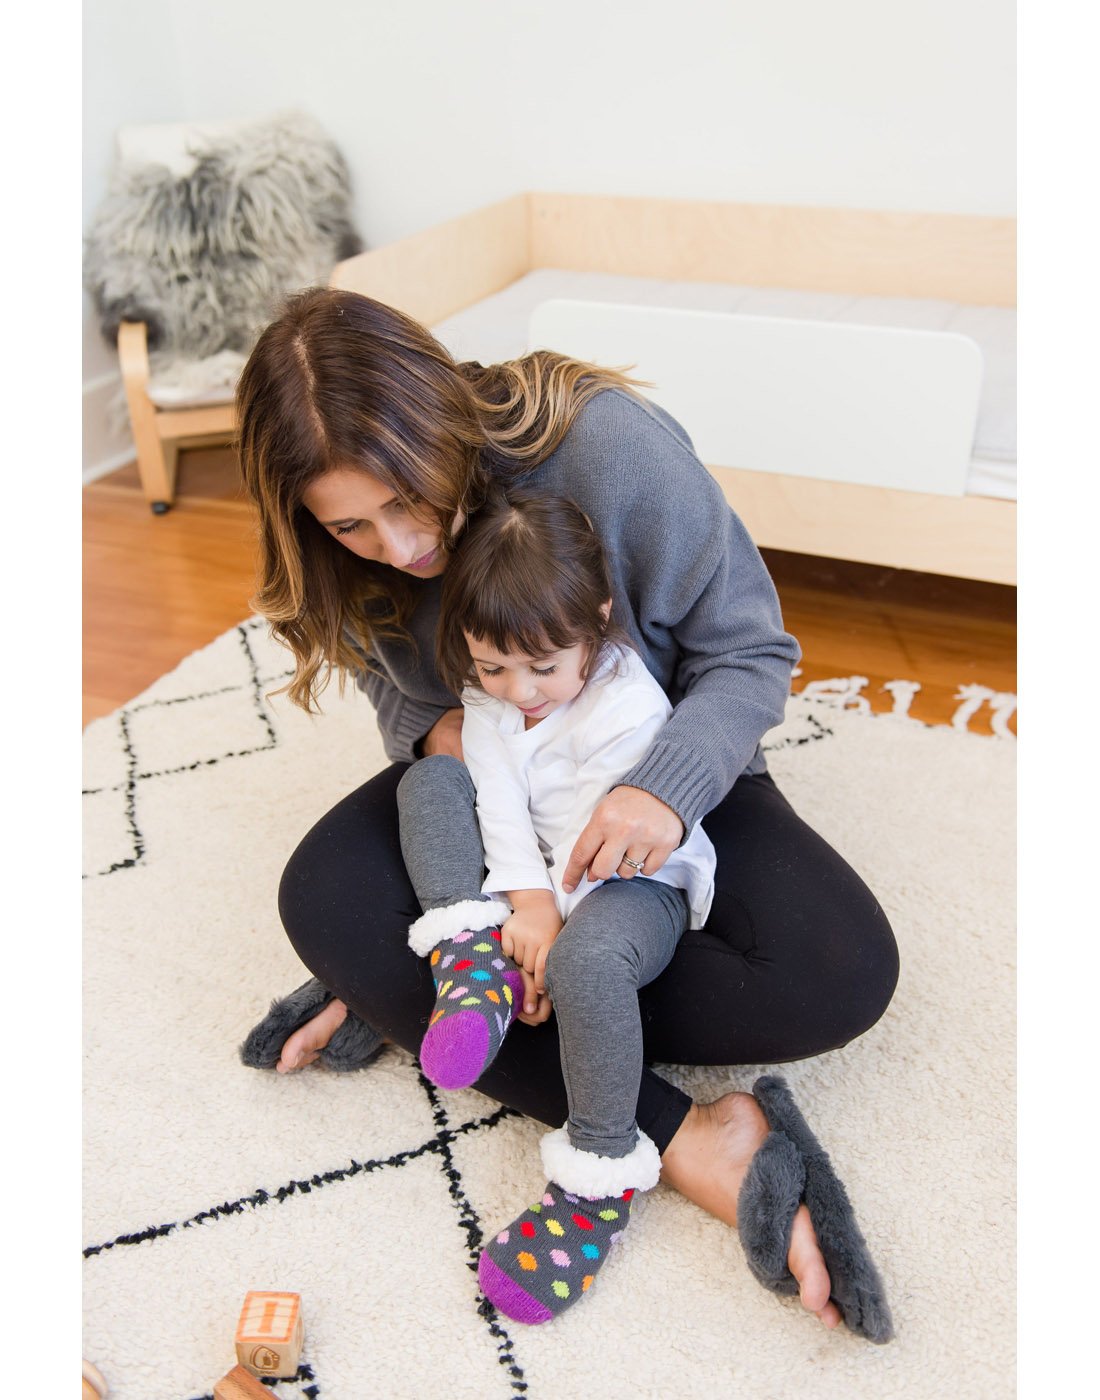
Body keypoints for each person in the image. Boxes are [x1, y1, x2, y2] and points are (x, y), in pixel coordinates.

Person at [235, 286, 899, 1341]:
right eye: (350, 524)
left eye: (411, 500)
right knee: (321, 893)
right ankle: (685, 1137)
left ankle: (440, 993)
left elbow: (749, 653)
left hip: (658, 779)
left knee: (842, 970)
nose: (403, 547)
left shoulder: (604, 448)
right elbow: (396, 687)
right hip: (509, 790)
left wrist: (663, 792)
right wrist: (435, 735)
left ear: (442, 424)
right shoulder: (340, 554)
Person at [399, 489, 718, 1323]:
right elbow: (496, 800)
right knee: (432, 779)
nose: (522, 690)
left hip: (624, 879)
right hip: (541, 876)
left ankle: (597, 1185)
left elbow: (597, 840)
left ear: (597, 622)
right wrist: (520, 913)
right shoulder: (493, 696)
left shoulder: (628, 707)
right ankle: (470, 966)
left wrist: (550, 931)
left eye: (544, 667)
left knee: (585, 963)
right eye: (494, 664)